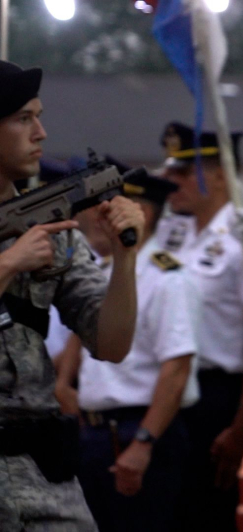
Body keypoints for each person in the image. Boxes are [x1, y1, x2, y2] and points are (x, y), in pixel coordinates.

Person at [0, 60, 145, 530]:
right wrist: (8, 264)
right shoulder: (28, 241)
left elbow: (112, 344)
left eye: (39, 116)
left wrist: (126, 259)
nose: (40, 132)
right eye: (23, 118)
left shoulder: (52, 228)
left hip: (40, 474)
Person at [51, 170, 200, 531]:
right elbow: (80, 332)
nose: (98, 220)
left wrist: (143, 444)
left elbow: (176, 368)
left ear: (140, 215)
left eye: (109, 210)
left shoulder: (168, 277)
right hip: (95, 431)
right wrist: (63, 383)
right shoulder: (103, 268)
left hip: (139, 429)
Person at [160, 125, 243, 531]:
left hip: (213, 397)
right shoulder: (171, 233)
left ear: (219, 175)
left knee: (203, 513)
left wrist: (240, 426)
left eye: (182, 172)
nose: (169, 181)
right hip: (163, 390)